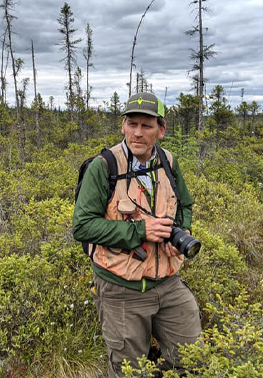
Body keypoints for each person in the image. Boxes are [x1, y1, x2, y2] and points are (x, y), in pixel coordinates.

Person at [72, 92, 201, 377]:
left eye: (146, 126)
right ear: (123, 126)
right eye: (132, 124)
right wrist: (141, 230)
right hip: (121, 289)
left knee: (194, 360)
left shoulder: (169, 162)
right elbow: (81, 227)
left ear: (161, 129)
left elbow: (185, 205)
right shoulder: (104, 167)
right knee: (130, 372)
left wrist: (183, 230)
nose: (138, 133)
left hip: (169, 284)